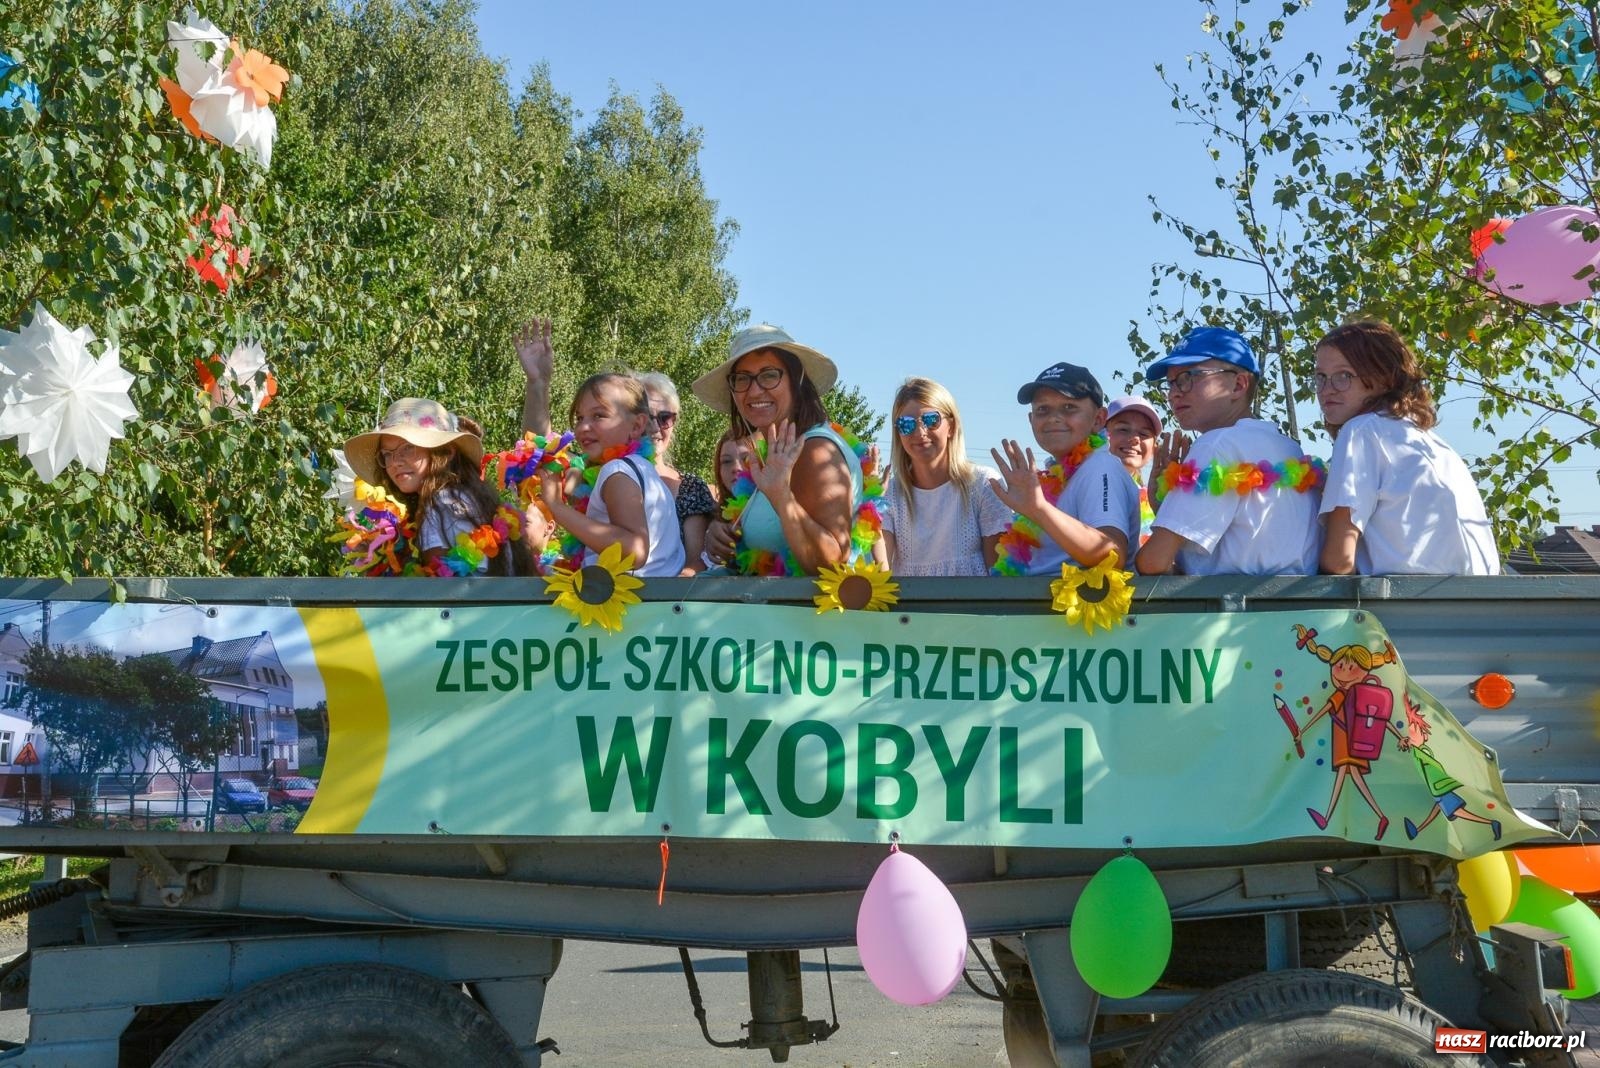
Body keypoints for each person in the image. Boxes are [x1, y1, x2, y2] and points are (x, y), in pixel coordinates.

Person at [1313, 320, 1499, 575]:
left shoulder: (1362, 431)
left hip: (1410, 608)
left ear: (1383, 377)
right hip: (1479, 600)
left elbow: (1338, 561)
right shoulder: (1433, 443)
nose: (1326, 390)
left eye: (1343, 376)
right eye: (1320, 377)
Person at [1134, 328, 1321, 576]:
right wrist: (1164, 508)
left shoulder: (1217, 444)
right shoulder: (1289, 447)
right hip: (1295, 610)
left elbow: (1153, 563)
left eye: (1188, 377)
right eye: (1171, 383)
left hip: (1234, 611)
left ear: (1239, 384)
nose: (1175, 392)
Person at [695, 324, 876, 575]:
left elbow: (833, 565)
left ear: (796, 381)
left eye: (769, 375)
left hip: (809, 614)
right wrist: (721, 532)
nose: (755, 390)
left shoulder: (816, 450)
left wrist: (781, 496)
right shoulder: (773, 453)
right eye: (743, 379)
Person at [344, 398, 527, 576]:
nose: (395, 462)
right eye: (387, 454)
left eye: (408, 448)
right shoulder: (464, 495)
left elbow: (435, 588)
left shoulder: (441, 502)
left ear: (444, 452)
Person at [989, 363, 1140, 575]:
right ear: (1031, 420)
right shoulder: (1057, 473)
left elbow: (1112, 555)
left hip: (1072, 606)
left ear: (1098, 420)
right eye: (1043, 409)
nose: (1054, 418)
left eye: (1069, 407)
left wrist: (1039, 510)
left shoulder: (1100, 467)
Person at [538, 373, 685, 578]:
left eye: (599, 415)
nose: (583, 427)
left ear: (636, 425)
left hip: (633, 606)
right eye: (580, 418)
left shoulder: (618, 471)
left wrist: (556, 507)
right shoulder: (641, 469)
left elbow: (634, 552)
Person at [881, 377, 1013, 576]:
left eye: (931, 420)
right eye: (906, 424)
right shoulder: (889, 493)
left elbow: (999, 577)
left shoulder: (983, 484)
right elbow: (880, 574)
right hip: (909, 606)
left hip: (972, 605)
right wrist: (870, 506)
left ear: (951, 426)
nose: (920, 432)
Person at [637, 371, 716, 574]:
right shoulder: (605, 475)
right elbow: (552, 462)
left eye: (664, 418)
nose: (655, 427)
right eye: (646, 418)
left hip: (671, 601)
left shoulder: (691, 488)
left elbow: (695, 562)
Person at [1104, 395, 1162, 546]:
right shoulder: (1073, 485)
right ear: (1101, 434)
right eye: (1123, 429)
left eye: (1144, 434)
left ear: (1154, 446)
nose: (1135, 439)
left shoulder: (1157, 498)